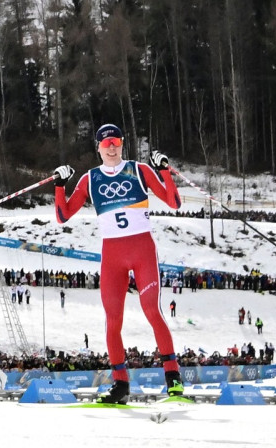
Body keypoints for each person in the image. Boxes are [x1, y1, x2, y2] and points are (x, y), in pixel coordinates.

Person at [53, 123, 184, 404]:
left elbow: (173, 202)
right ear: (98, 148)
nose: (111, 147)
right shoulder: (90, 178)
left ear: (122, 144)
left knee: (152, 311)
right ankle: (121, 385)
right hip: (112, 257)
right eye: (106, 143)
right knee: (113, 322)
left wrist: (164, 169)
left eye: (116, 142)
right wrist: (59, 185)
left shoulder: (139, 170)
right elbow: (63, 216)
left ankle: (173, 380)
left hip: (142, 251)